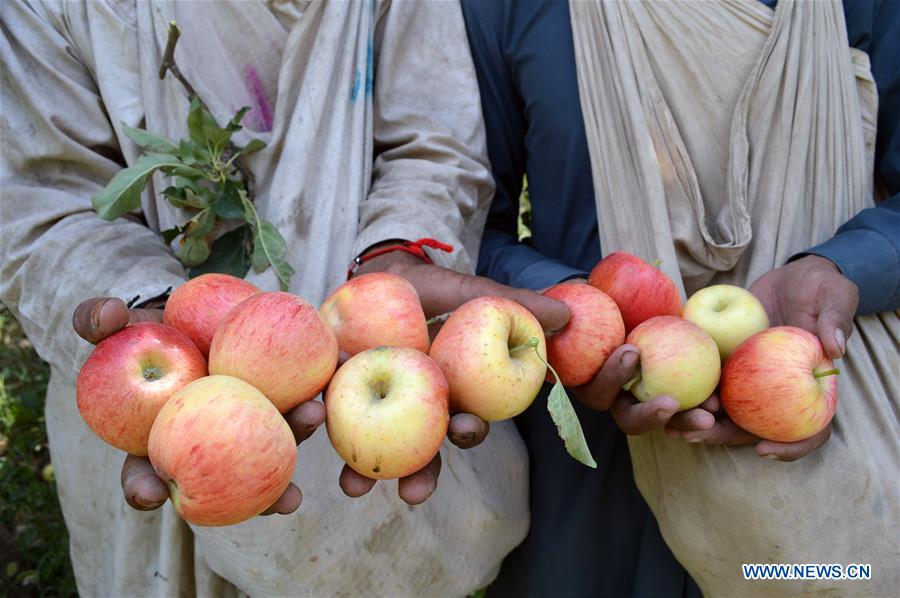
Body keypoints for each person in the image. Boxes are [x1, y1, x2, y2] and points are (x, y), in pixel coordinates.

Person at [0, 1, 572, 595]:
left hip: (362, 374)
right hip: (153, 399)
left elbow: (435, 140)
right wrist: (156, 317)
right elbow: (45, 201)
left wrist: (398, 247)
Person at [462, 0, 899, 595]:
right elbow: (468, 232)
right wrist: (576, 309)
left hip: (817, 452)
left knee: (827, 577)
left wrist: (842, 266)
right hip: (585, 481)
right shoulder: (509, 10)